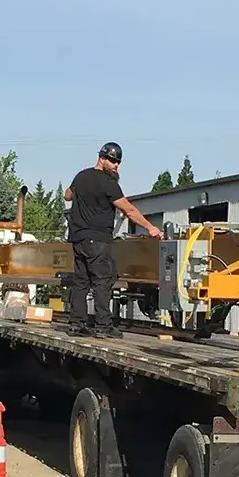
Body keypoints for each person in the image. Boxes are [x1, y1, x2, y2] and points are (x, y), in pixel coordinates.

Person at [64, 142, 161, 338]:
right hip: (98, 240)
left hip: (78, 239)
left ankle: (76, 324)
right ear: (102, 158)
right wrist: (151, 228)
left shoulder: (81, 176)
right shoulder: (109, 184)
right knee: (102, 282)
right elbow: (129, 210)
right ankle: (103, 326)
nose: (116, 164)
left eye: (118, 161)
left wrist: (82, 195)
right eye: (113, 160)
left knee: (81, 282)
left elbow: (68, 195)